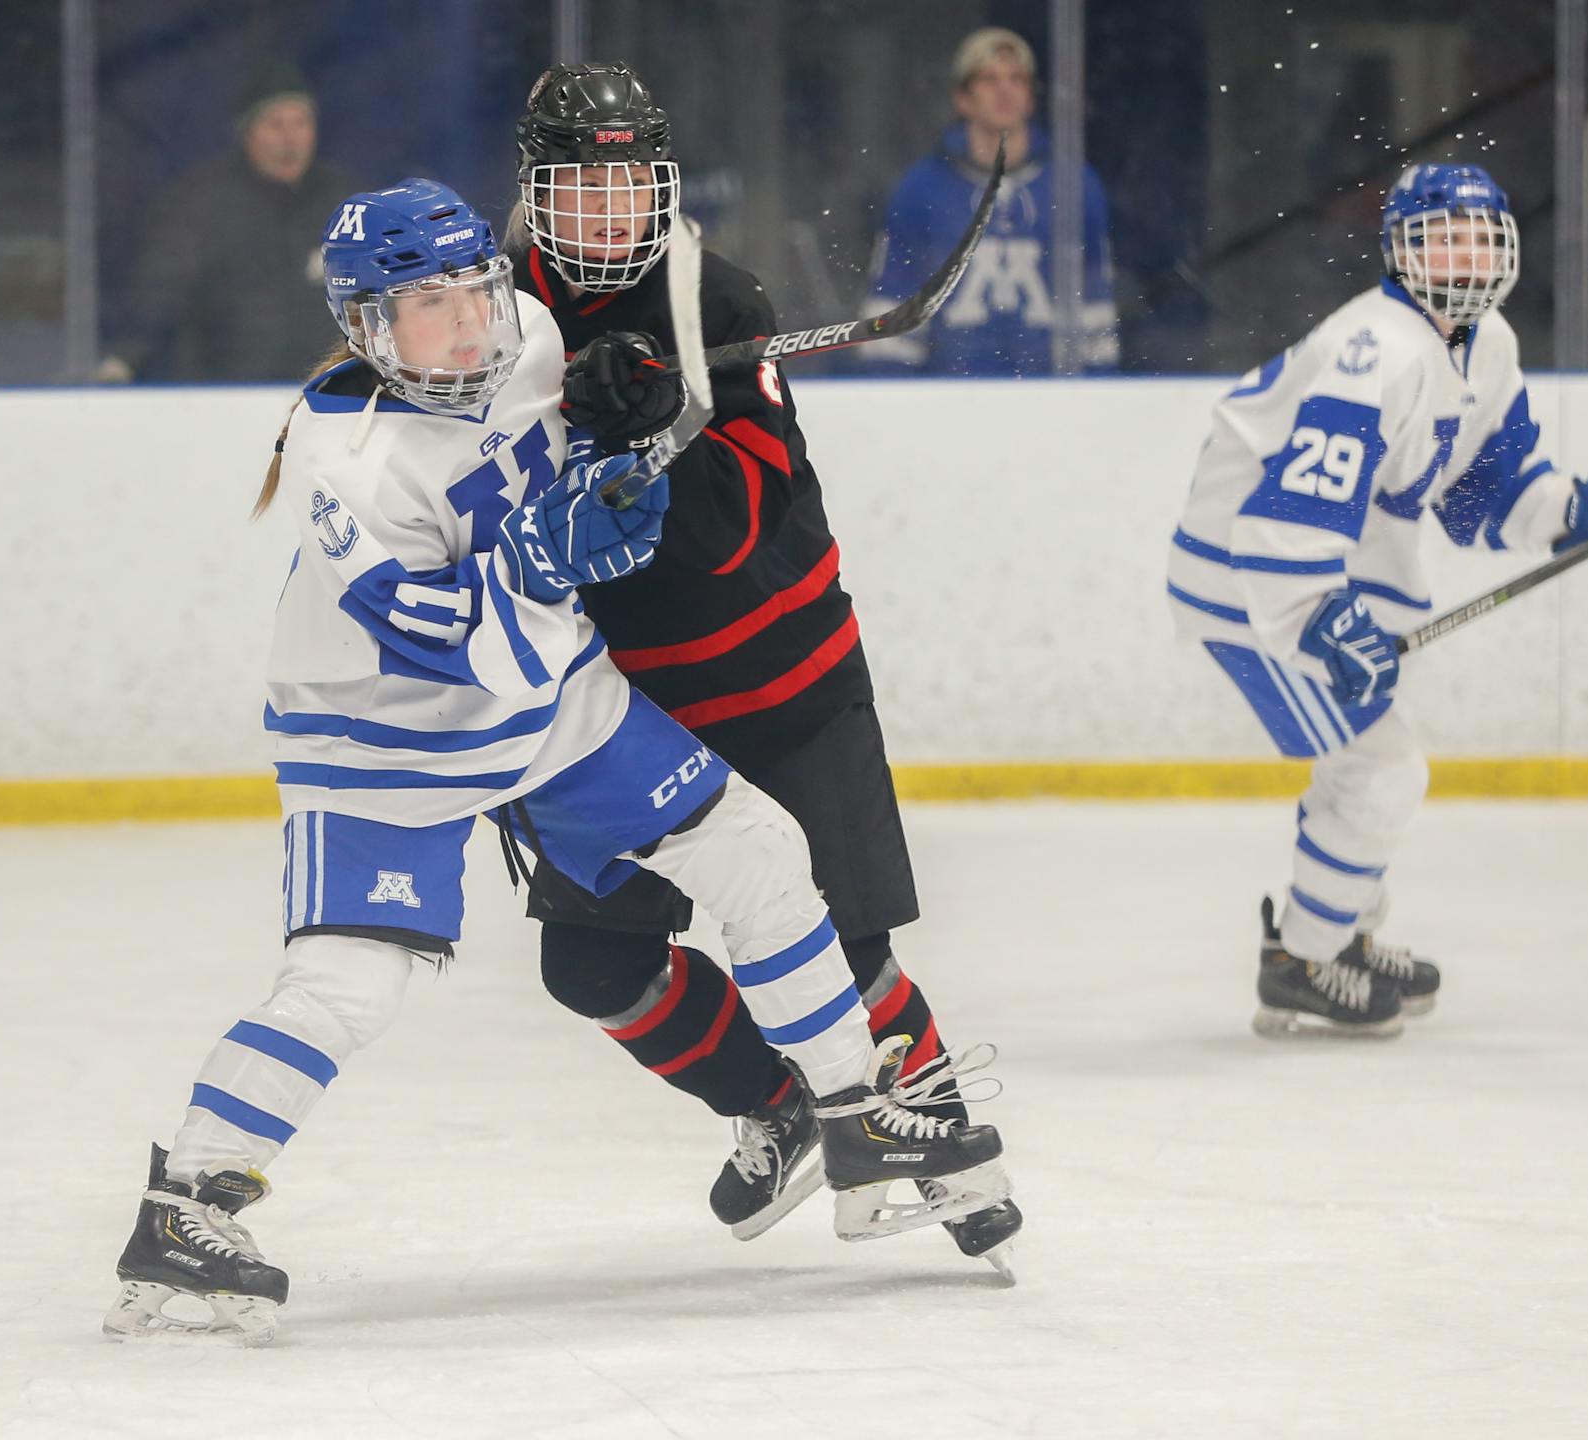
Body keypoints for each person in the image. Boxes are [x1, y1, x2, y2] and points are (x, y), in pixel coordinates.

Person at [104, 179, 1010, 1343]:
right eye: (429, 307)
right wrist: (544, 550)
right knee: (349, 985)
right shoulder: (345, 464)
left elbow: (590, 455)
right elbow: (440, 635)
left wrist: (629, 416)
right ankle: (186, 1205)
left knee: (756, 849)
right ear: (369, 328)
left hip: (552, 697)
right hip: (387, 733)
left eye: (475, 291)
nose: (468, 325)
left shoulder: (531, 332)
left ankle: (853, 1110)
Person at [505, 62, 1021, 1274]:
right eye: (582, 188)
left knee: (849, 947)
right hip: (616, 710)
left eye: (630, 184)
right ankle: (783, 1110)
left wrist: (653, 425)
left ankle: (947, 1150)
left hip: (782, 683)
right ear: (535, 192)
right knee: (592, 964)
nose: (609, 213)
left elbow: (734, 532)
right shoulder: (494, 310)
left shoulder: (712, 299)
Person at [1165, 163, 1588, 1037]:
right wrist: (1315, 620)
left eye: (1481, 237)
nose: (1466, 255)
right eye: (1443, 237)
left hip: (1314, 576)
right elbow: (1290, 511)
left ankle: (1336, 935)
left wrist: (1587, 515)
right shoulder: (1372, 350)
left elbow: (1487, 494)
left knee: (1366, 767)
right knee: (1381, 769)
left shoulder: (1488, 346)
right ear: (1400, 252)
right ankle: (1302, 961)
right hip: (1251, 581)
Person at [862, 26, 1116, 376]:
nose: (1004, 90)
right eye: (988, 79)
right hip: (950, 394)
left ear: (1031, 97)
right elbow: (894, 307)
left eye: (1017, 79)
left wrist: (1098, 389)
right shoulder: (920, 190)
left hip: (1050, 394)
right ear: (962, 98)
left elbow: (1095, 309)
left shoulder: (1075, 186)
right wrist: (889, 394)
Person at [97, 61, 355, 383]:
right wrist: (123, 358)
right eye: (275, 125)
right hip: (224, 394)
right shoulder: (202, 205)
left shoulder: (346, 203)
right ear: (247, 132)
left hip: (327, 391)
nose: (290, 139)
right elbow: (158, 293)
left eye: (301, 123)